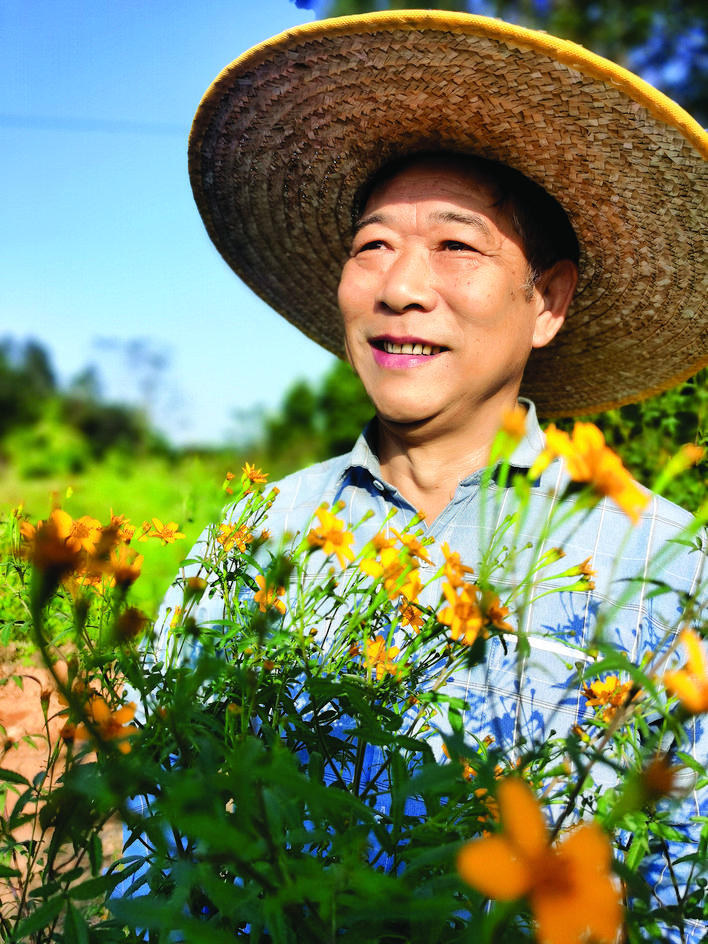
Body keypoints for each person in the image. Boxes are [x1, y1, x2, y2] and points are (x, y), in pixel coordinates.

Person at [135, 10, 707, 940]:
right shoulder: (252, 540)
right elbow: (160, 837)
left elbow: (687, 886)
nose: (401, 285)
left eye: (456, 245)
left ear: (548, 303)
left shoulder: (667, 566)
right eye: (372, 245)